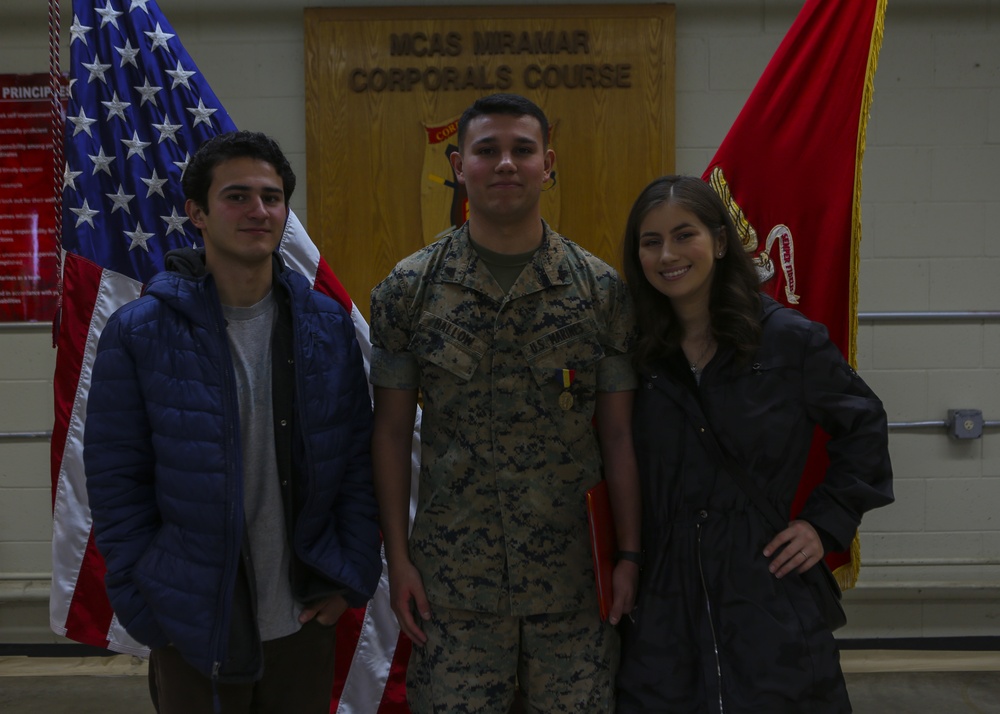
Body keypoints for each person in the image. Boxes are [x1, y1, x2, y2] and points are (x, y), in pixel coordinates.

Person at [83, 131, 381, 713]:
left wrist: (350, 577)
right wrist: (148, 606)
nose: (258, 211)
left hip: (303, 616)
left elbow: (355, 462)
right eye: (237, 196)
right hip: (192, 623)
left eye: (271, 197)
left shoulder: (325, 324)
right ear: (197, 213)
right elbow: (117, 482)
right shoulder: (140, 332)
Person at [369, 93, 641, 713]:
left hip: (574, 585)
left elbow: (620, 436)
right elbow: (388, 433)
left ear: (549, 164)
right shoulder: (409, 290)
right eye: (486, 150)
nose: (506, 164)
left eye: (523, 150)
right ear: (458, 164)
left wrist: (628, 554)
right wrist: (398, 559)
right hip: (453, 588)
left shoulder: (600, 293)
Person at [615, 175, 894, 713]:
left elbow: (864, 425)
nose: (668, 254)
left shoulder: (788, 340)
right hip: (662, 594)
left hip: (765, 583)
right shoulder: (633, 353)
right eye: (650, 242)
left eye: (683, 235)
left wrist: (824, 522)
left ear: (720, 242)